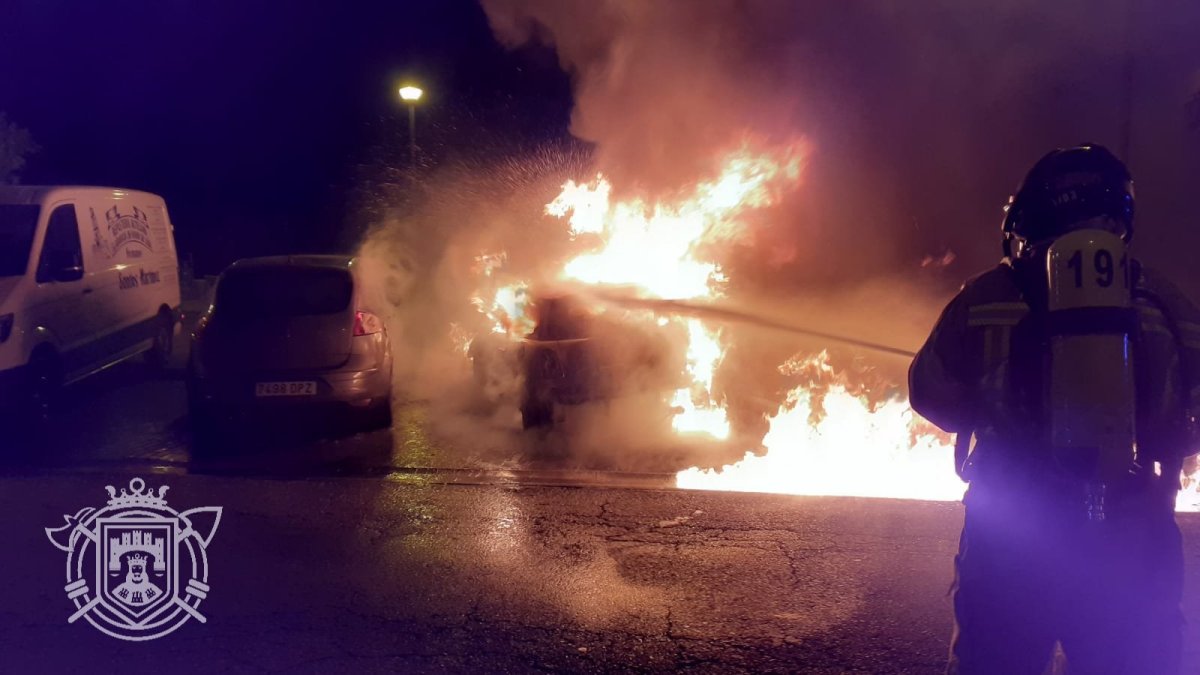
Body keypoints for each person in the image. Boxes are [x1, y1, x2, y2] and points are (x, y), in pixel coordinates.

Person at [909, 144, 1200, 675]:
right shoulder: (1163, 300)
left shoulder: (987, 295)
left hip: (1013, 530)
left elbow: (930, 393)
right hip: (1134, 532)